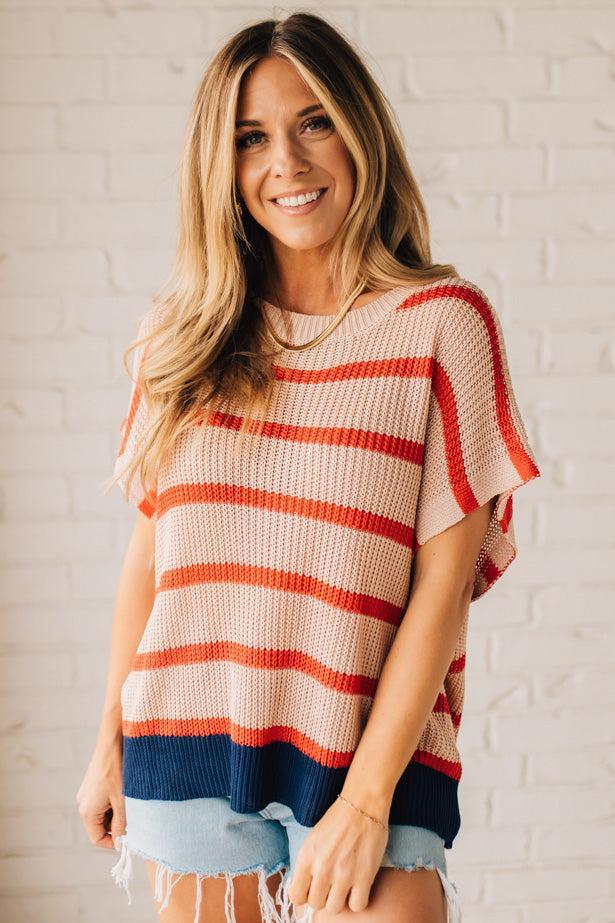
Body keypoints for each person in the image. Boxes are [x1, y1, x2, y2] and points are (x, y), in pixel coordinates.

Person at [75, 12, 541, 923]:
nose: (285, 162)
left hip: (371, 753)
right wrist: (107, 741)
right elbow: (152, 559)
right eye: (251, 138)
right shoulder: (182, 335)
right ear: (221, 163)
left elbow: (442, 590)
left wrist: (365, 803)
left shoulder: (441, 324)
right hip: (191, 743)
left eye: (313, 121)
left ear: (359, 128)